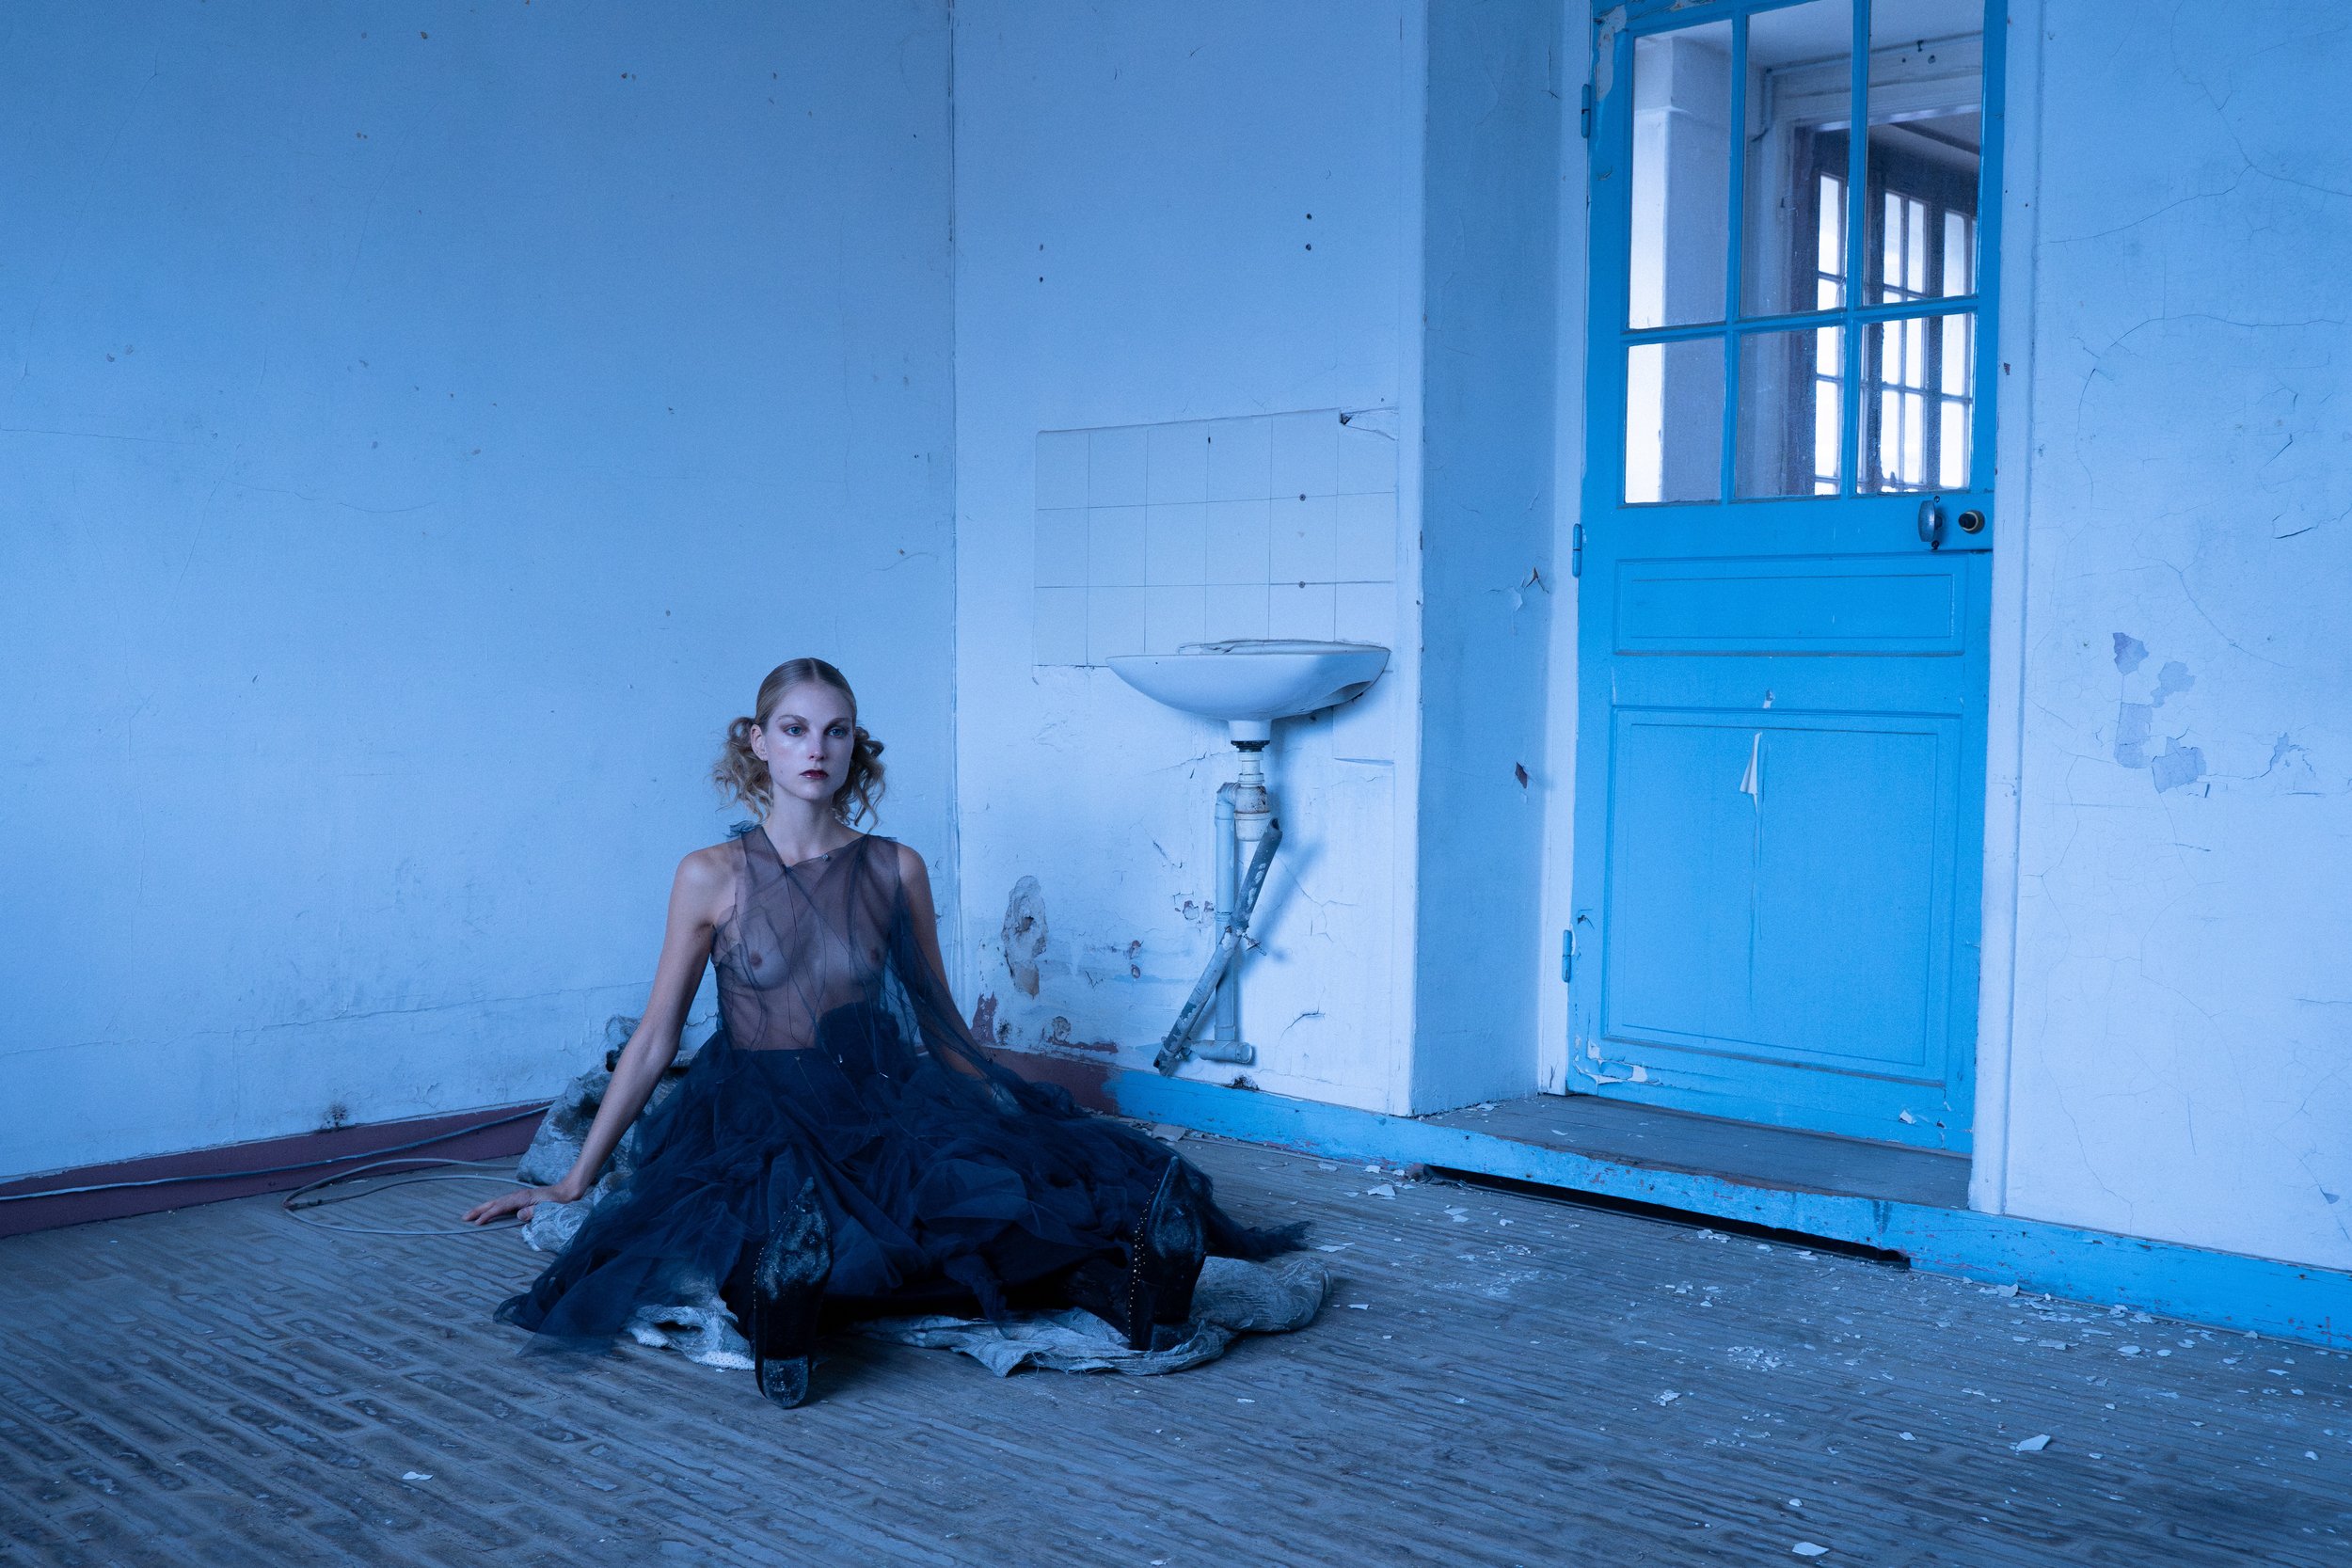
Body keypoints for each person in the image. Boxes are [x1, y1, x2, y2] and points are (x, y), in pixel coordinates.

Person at [463, 657, 1299, 1406]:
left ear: (854, 743)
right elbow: (655, 1036)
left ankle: (1127, 1294)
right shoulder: (710, 874)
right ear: (758, 741)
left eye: (836, 730)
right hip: (756, 1106)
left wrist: (1008, 1126)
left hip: (878, 1096)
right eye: (795, 729)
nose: (816, 748)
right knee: (780, 1225)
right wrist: (574, 1181)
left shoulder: (895, 867)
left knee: (973, 1209)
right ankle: (782, 1317)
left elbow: (939, 1021)